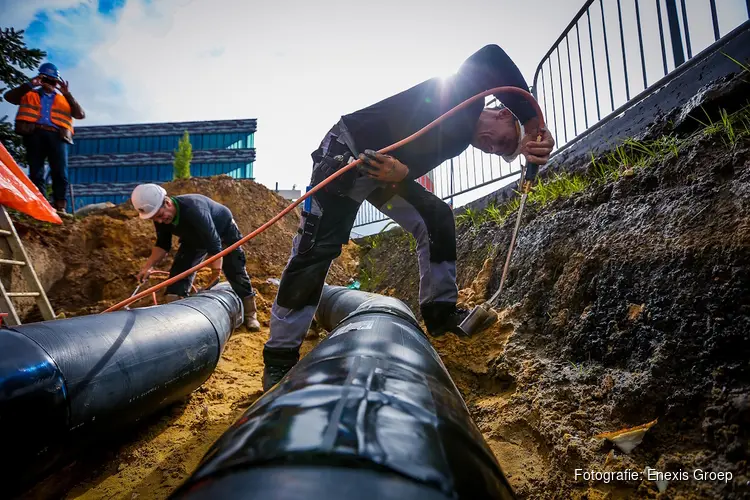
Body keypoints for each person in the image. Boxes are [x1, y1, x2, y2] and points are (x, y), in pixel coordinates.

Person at [262, 44, 555, 390]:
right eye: (504, 143)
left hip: (385, 173)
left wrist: (403, 172)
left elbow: (413, 154)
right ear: (505, 113)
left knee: (435, 216)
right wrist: (533, 121)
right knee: (317, 248)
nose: (492, 148)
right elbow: (490, 57)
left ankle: (441, 315)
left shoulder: (458, 140)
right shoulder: (467, 95)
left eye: (499, 152)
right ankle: (280, 359)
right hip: (348, 154)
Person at [131, 183, 261, 331]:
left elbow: (214, 243)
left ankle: (251, 314)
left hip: (223, 232)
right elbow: (162, 245)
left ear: (167, 202)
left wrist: (215, 273)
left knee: (235, 270)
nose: (160, 221)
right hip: (193, 237)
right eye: (155, 219)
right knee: (178, 275)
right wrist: (148, 267)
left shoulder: (194, 209)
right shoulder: (161, 219)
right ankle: (174, 315)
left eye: (160, 216)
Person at [3, 62, 85, 215]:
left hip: (57, 136)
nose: (50, 84)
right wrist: (30, 84)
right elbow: (9, 97)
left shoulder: (64, 99)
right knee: (36, 172)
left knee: (60, 172)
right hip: (34, 134)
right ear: (40, 79)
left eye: (53, 81)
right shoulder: (29, 94)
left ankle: (60, 205)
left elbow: (80, 114)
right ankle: (42, 205)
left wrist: (67, 93)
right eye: (46, 80)